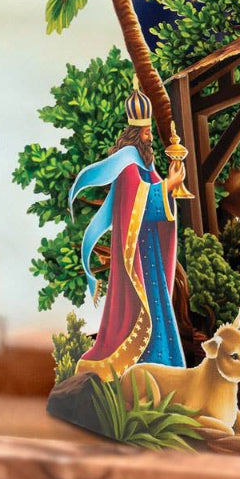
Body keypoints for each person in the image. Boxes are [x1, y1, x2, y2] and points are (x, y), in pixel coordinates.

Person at [70, 80, 187, 380]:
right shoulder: (129, 165)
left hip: (149, 255)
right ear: (137, 134)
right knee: (145, 316)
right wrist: (170, 186)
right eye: (147, 133)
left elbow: (156, 196)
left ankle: (168, 378)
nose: (150, 138)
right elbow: (142, 202)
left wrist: (170, 187)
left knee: (159, 313)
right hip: (137, 256)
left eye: (149, 132)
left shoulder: (143, 164)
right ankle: (145, 380)